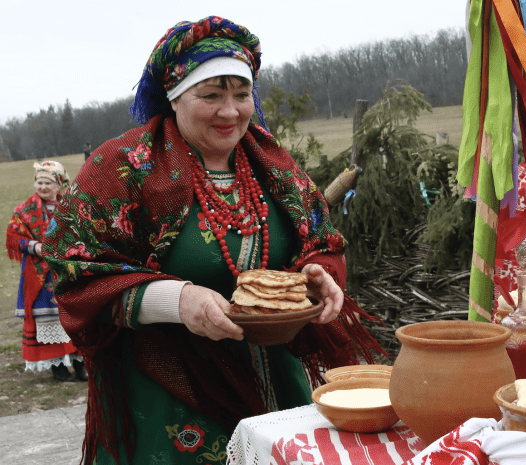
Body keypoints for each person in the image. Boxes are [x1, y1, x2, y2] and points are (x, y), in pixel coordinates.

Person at [42, 16, 383, 464]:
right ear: (175, 96)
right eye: (211, 95)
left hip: (273, 386)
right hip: (169, 395)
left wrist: (314, 275)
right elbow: (75, 274)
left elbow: (320, 240)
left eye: (242, 94)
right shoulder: (122, 168)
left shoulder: (272, 165)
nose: (231, 111)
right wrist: (177, 301)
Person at [5, 161, 87, 382]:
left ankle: (80, 364)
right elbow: (13, 237)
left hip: (66, 273)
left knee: (73, 319)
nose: (42, 186)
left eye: (48, 182)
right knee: (49, 321)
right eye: (39, 182)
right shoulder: (24, 210)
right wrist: (35, 247)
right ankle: (58, 367)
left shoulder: (68, 208)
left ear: (58, 185)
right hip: (40, 276)